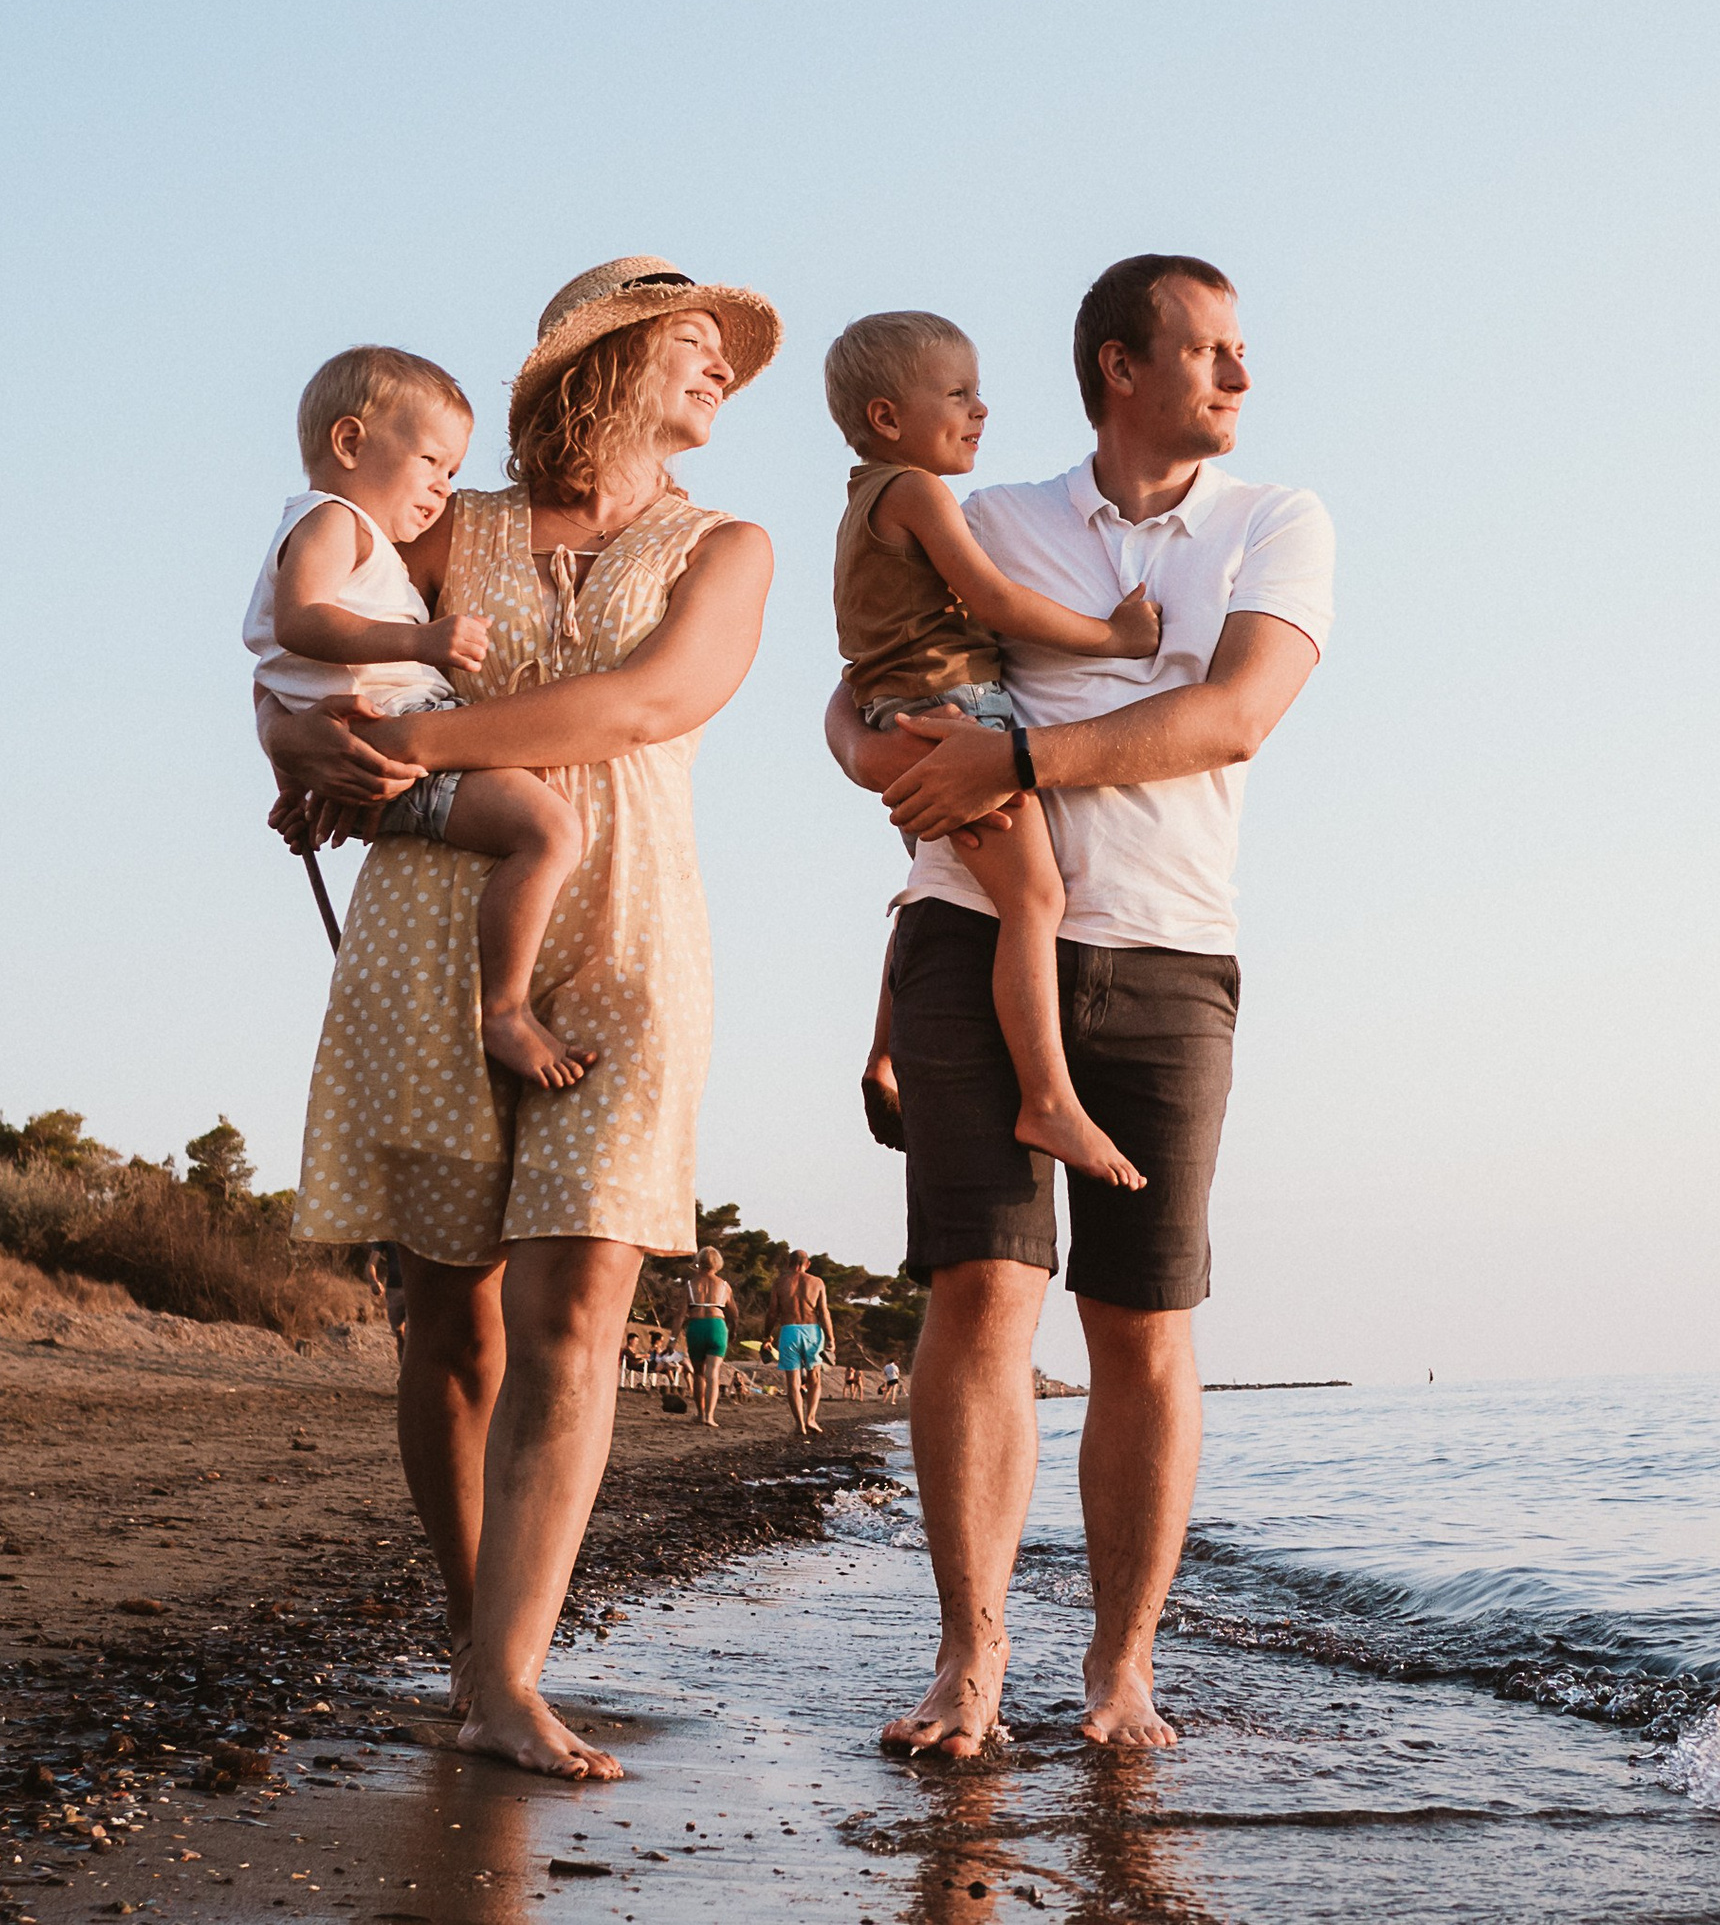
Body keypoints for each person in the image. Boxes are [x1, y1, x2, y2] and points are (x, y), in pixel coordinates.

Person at [265, 255, 779, 1781]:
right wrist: (304, 750)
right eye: (691, 348)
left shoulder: (729, 545)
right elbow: (302, 654)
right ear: (599, 361)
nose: (719, 374)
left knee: (576, 1309)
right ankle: (472, 1636)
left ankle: (504, 1675)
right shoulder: (451, 523)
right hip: (440, 920)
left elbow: (646, 705)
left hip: (627, 926)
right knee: (456, 1321)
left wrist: (410, 737)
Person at [828, 253, 1331, 1755]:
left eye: (1245, 349)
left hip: (1173, 955)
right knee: (982, 1294)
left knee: (1143, 1322)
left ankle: (1120, 1673)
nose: (1241, 374)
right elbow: (857, 682)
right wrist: (885, 765)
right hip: (968, 936)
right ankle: (971, 1665)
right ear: (1120, 366)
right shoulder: (989, 516)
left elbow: (1233, 715)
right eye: (1211, 349)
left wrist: (1021, 763)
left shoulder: (1274, 523)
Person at [825, 311, 1159, 1188]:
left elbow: (859, 651)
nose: (982, 409)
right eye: (960, 393)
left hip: (901, 714)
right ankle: (1047, 1097)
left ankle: (894, 1055)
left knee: (955, 895)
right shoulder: (917, 493)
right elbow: (997, 599)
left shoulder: (857, 508)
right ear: (890, 419)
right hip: (956, 717)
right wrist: (1112, 636)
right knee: (1035, 898)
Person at [247, 348, 593, 1088]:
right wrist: (420, 639)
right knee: (552, 830)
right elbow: (300, 624)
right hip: (407, 741)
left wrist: (291, 780)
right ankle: (504, 1009)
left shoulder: (334, 532)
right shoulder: (335, 524)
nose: (443, 487)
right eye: (432, 461)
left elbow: (269, 682)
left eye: (453, 472)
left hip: (392, 736)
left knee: (534, 796)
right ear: (350, 443)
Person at [764, 1250, 836, 1437]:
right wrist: (831, 1339)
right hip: (812, 1330)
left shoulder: (780, 1283)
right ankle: (811, 1418)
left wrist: (766, 1335)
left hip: (789, 1330)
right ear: (808, 1264)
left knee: (793, 1382)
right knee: (814, 1379)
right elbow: (823, 1312)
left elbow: (772, 1312)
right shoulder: (817, 1282)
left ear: (789, 1263)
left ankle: (799, 1425)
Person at [683, 1247, 736, 1428]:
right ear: (717, 1263)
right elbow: (734, 1312)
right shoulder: (723, 1285)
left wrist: (673, 1338)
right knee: (712, 1373)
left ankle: (699, 1413)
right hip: (717, 1326)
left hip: (696, 1326)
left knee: (698, 1373)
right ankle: (709, 1416)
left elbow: (680, 1314)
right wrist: (734, 1329)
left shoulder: (690, 1284)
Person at [367, 1242, 408, 1359]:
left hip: (414, 1288)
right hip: (394, 1288)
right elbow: (371, 1263)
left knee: (412, 1332)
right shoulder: (388, 1233)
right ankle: (403, 1366)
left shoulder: (418, 1230)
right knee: (399, 1332)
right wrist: (373, 1281)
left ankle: (410, 1371)